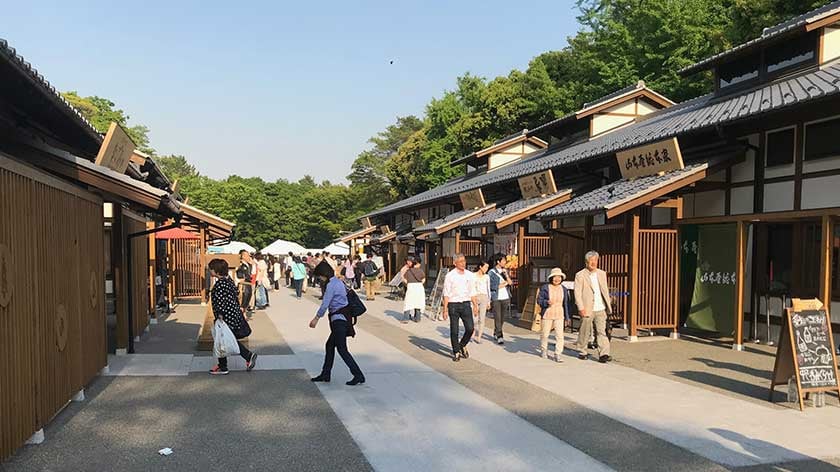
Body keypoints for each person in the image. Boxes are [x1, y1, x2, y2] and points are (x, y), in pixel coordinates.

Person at [309, 265, 365, 386]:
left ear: (324, 275)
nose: (320, 279)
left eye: (320, 277)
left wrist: (316, 318)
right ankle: (326, 374)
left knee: (342, 349)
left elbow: (325, 304)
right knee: (330, 346)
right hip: (343, 318)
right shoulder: (339, 282)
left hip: (338, 320)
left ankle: (358, 375)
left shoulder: (331, 285)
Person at [208, 258, 258, 375]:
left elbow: (220, 301)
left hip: (225, 316)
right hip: (233, 313)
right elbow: (235, 294)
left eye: (211, 269)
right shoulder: (228, 280)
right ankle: (224, 365)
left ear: (216, 271)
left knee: (223, 339)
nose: (209, 270)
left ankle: (245, 357)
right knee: (225, 339)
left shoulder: (220, 284)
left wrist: (220, 315)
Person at [574, 251, 612, 363]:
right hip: (587, 308)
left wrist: (608, 303)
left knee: (601, 332)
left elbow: (604, 290)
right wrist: (580, 307)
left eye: (595, 260)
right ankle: (582, 351)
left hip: (600, 307)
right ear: (586, 262)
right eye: (591, 260)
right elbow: (577, 293)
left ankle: (604, 353)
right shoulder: (580, 275)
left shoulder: (602, 273)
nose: (593, 262)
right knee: (584, 331)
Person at [442, 253, 478, 362]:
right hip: (453, 304)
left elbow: (472, 291)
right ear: (455, 263)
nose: (463, 263)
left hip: (466, 303)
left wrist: (475, 305)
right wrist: (445, 309)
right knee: (454, 330)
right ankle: (456, 351)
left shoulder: (470, 275)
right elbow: (446, 293)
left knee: (470, 328)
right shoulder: (450, 276)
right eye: (460, 261)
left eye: (464, 261)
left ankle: (462, 344)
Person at [537, 268, 571, 362]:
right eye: (555, 277)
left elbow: (566, 304)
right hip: (548, 313)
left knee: (560, 335)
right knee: (545, 334)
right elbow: (539, 300)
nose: (557, 279)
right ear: (551, 278)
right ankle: (544, 350)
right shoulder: (545, 288)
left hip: (560, 313)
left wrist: (567, 317)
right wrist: (546, 302)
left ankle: (558, 353)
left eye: (559, 277)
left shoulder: (564, 289)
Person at [488, 253, 512, 345]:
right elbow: (492, 286)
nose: (505, 262)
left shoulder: (505, 271)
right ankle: (500, 336)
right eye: (503, 260)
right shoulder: (491, 272)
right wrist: (504, 284)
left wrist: (506, 275)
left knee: (502, 317)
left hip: (505, 297)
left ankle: (496, 331)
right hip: (496, 297)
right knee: (497, 317)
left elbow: (510, 282)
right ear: (498, 261)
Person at [402, 256, 425, 323]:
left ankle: (406, 318)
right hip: (419, 288)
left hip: (411, 287)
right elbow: (423, 280)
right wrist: (419, 284)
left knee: (408, 302)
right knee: (418, 302)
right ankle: (417, 318)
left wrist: (408, 283)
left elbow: (404, 280)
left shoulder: (408, 271)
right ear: (418, 264)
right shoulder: (421, 271)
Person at [473, 261, 491, 343]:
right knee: (474, 317)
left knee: (482, 318)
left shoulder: (487, 277)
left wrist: (489, 301)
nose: (486, 269)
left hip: (484, 297)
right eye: (485, 267)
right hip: (475, 296)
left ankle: (479, 336)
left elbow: (488, 289)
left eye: (487, 267)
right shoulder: (473, 275)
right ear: (480, 266)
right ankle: (473, 332)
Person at [235, 250, 255, 319]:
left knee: (248, 298)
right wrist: (238, 280)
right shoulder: (239, 264)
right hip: (243, 284)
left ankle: (244, 313)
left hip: (248, 283)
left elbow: (252, 272)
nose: (248, 257)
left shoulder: (249, 265)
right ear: (242, 256)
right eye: (247, 255)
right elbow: (236, 273)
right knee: (243, 299)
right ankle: (241, 315)